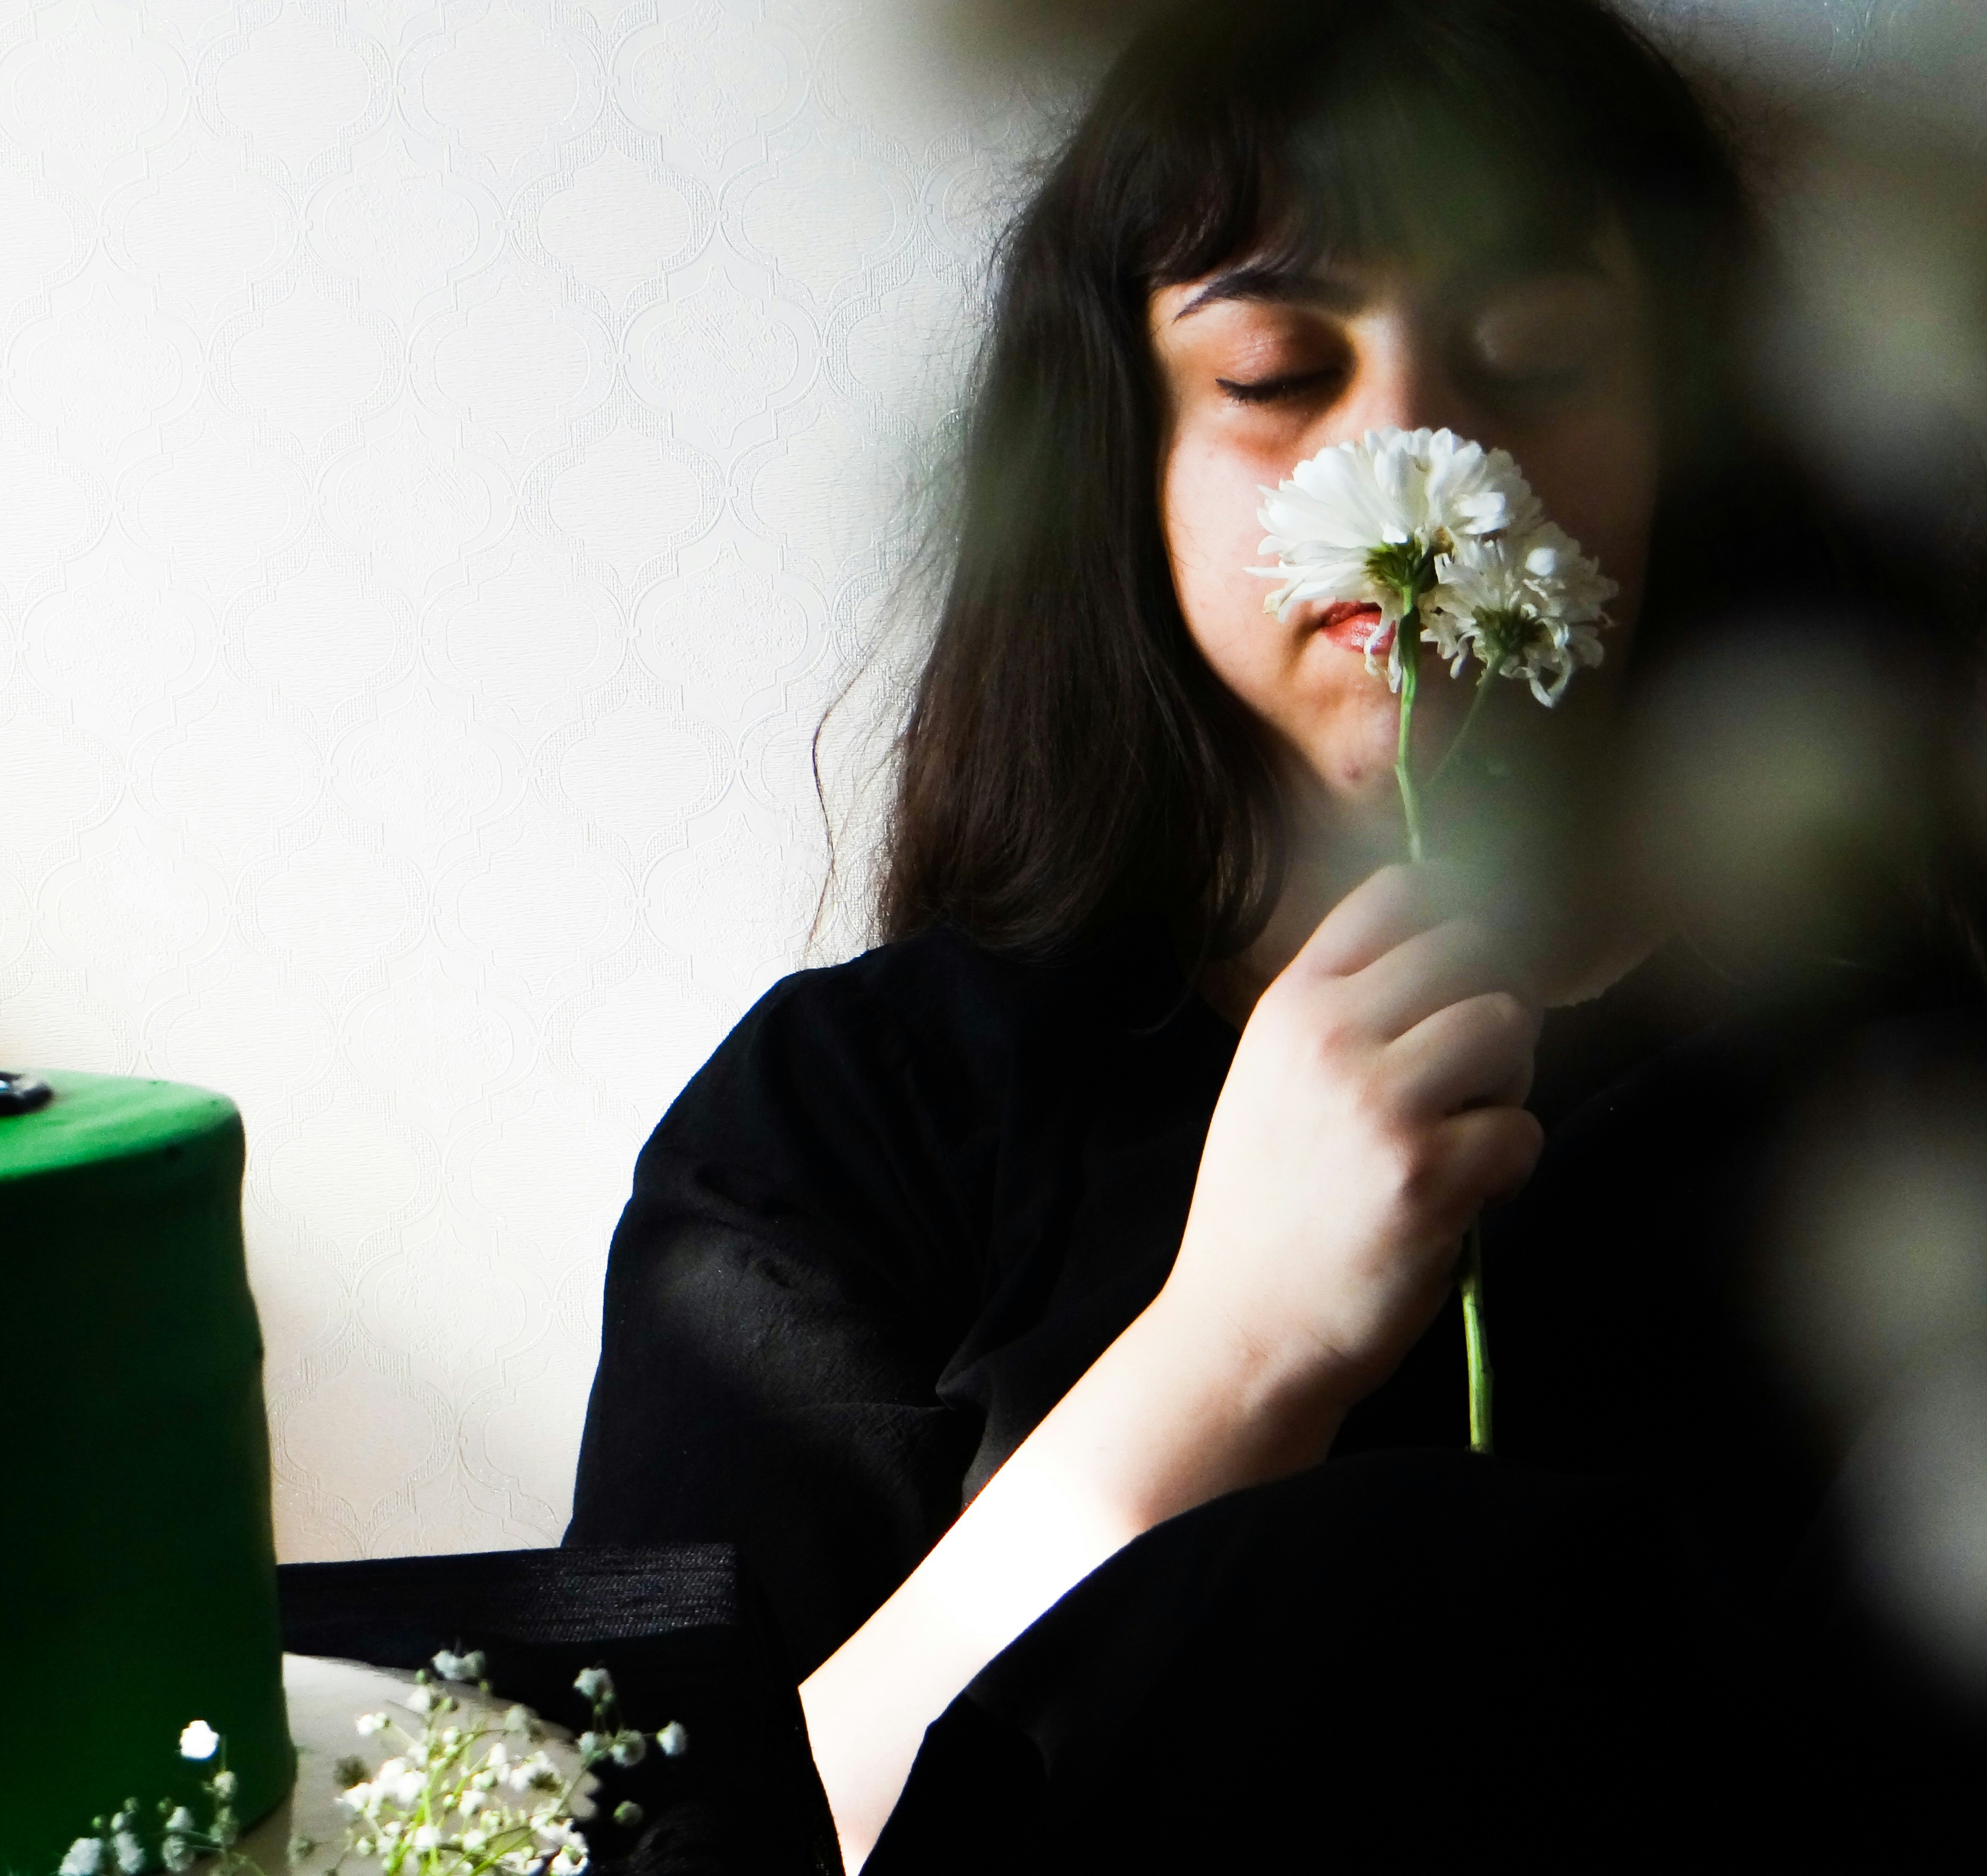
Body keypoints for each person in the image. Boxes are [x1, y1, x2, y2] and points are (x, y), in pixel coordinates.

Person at [566, 0, 1986, 1861]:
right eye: (1275, 373)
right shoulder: (860, 1115)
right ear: (1117, 456)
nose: (1414, 449)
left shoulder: (1892, 1103)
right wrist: (1232, 1349)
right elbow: (666, 1841)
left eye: (1538, 350)